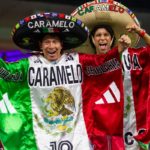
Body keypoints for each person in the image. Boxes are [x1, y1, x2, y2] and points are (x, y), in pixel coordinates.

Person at [0, 12, 130, 150]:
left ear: (61, 44)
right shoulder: (29, 65)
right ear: (40, 45)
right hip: (41, 138)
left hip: (77, 137)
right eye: (47, 42)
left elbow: (101, 65)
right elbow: (7, 73)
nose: (51, 46)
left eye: (55, 42)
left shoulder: (77, 61)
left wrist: (120, 49)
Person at [71, 0, 150, 150]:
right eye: (98, 35)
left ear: (112, 39)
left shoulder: (131, 56)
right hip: (98, 130)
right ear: (93, 40)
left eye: (106, 35)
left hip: (130, 126)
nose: (102, 38)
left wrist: (141, 32)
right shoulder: (84, 62)